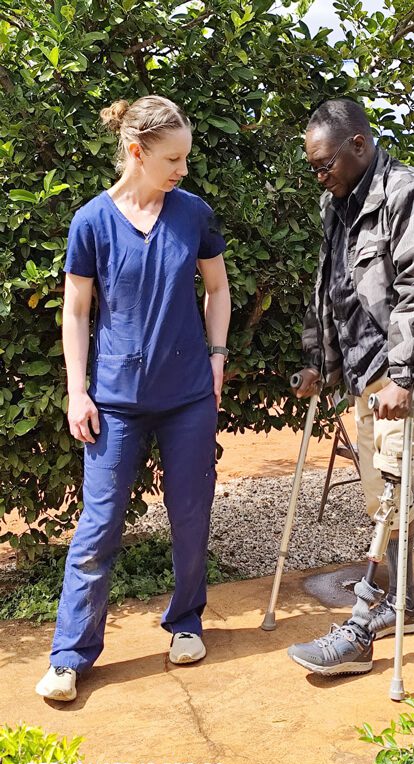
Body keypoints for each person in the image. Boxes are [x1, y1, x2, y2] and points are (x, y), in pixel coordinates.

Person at [35, 96, 231, 702]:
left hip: (189, 395)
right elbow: (76, 310)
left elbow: (218, 287)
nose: (182, 170)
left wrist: (217, 357)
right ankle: (70, 656)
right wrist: (77, 391)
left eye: (187, 159)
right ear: (136, 152)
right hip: (115, 399)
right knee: (98, 524)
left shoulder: (192, 213)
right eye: (173, 158)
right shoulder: (90, 222)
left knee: (192, 512)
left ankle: (186, 622)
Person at [287, 98, 414, 676]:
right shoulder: (335, 204)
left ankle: (365, 626)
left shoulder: (405, 191)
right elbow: (331, 289)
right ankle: (406, 604)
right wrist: (320, 360)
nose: (320, 175)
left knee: (393, 496)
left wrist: (402, 374)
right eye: (314, 167)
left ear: (359, 146)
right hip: (368, 374)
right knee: (380, 497)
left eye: (325, 164)